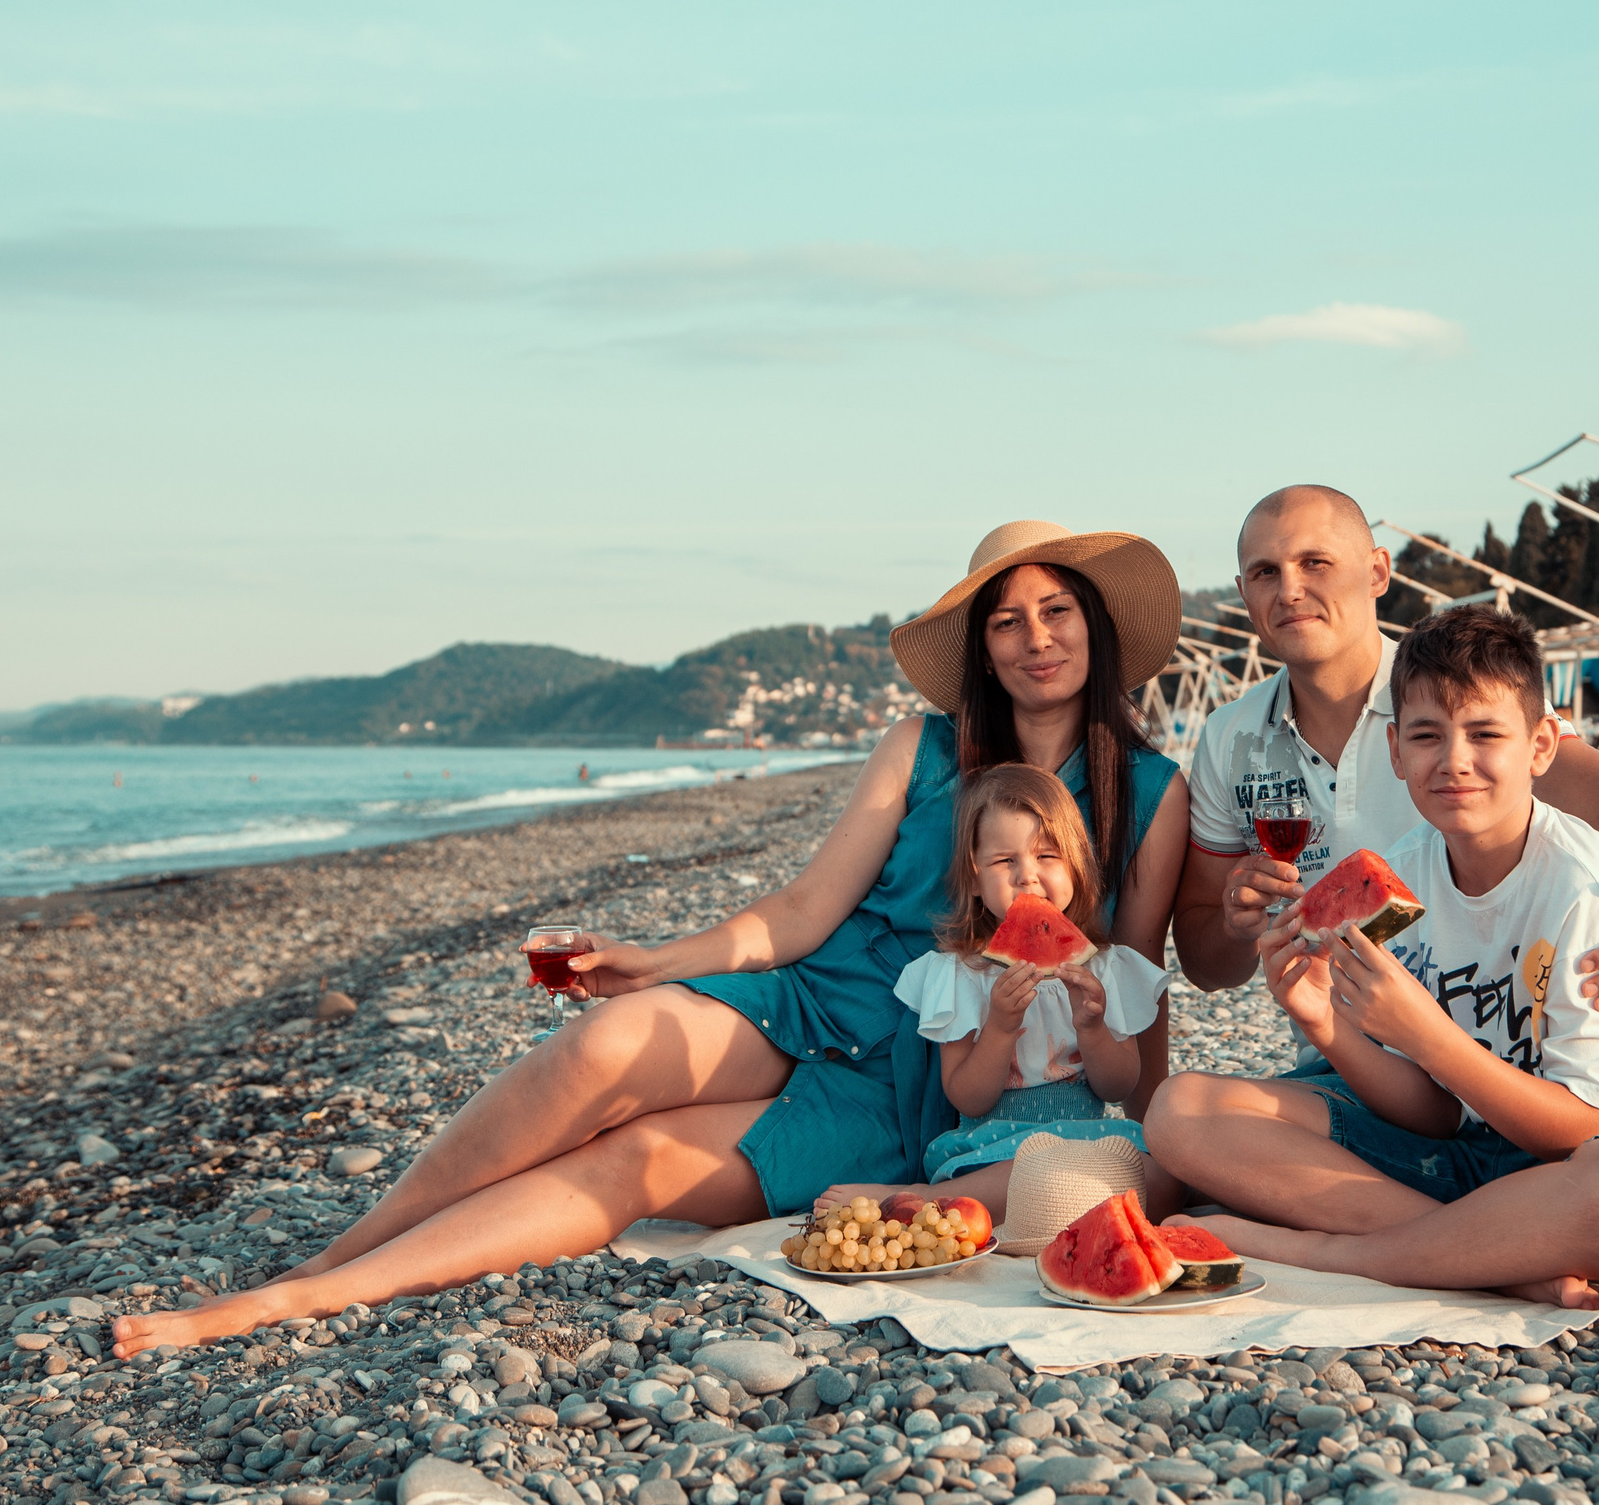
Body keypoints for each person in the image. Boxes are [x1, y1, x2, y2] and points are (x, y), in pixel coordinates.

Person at [106, 521, 1190, 1358]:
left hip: (932, 1084)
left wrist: (1148, 1137)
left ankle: (331, 1291)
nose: (1036, 638)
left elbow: (1132, 979)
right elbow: (804, 911)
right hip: (823, 994)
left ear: (1093, 628)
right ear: (981, 648)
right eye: (1007, 620)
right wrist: (658, 960)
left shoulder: (1149, 791)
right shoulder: (920, 745)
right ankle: (327, 1260)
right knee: (606, 1043)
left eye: (1057, 611)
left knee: (637, 1161)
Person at [1161, 484, 1599, 1254]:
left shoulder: (1452, 681)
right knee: (1178, 1121)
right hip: (1381, 1061)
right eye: (1264, 572)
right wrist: (1247, 932)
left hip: (1545, 1094)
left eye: (1315, 562)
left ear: (1378, 571)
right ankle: (1488, 1246)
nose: (1289, 589)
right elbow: (1205, 962)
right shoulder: (1232, 739)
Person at [824, 764, 1176, 1219]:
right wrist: (1000, 1027)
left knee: (1165, 1178)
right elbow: (967, 1097)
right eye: (1005, 861)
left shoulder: (1106, 970)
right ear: (973, 879)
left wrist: (1092, 1029)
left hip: (1086, 1146)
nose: (1026, 876)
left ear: (1076, 867)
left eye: (1046, 855)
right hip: (995, 1154)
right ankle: (921, 1198)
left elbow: (1119, 1085)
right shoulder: (959, 975)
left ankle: (1041, 1209)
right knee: (1033, 1172)